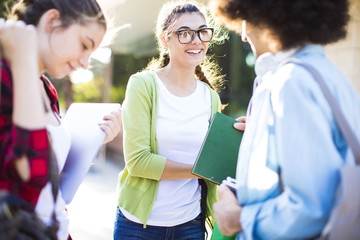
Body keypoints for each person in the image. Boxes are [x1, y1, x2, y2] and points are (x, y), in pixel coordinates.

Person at [208, 0, 360, 239]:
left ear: (264, 16)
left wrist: (237, 218)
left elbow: (310, 208)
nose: (244, 36)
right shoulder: (331, 76)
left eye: (245, 22)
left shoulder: (291, 82)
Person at [0, 0, 121, 239]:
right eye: (84, 45)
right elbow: (30, 177)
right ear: (52, 20)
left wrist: (93, 141)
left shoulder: (46, 89)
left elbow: (50, 185)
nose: (85, 63)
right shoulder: (5, 75)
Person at [113, 1, 228, 239]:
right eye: (184, 33)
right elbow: (138, 161)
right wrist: (201, 171)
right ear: (165, 40)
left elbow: (216, 162)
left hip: (190, 224)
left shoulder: (211, 98)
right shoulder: (143, 85)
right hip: (138, 226)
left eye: (202, 32)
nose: (196, 40)